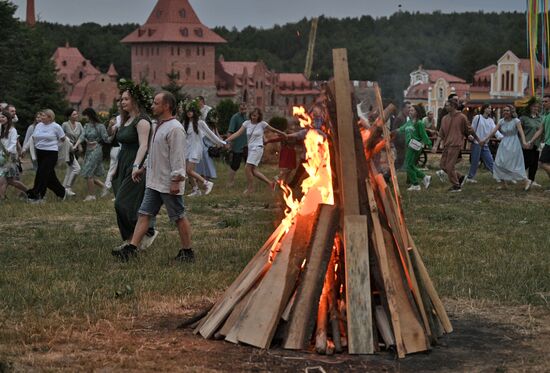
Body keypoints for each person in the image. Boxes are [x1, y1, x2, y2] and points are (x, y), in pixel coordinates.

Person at [112, 92, 194, 262]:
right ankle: (131, 249)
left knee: (178, 216)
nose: (152, 106)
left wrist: (175, 180)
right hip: (154, 182)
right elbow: (155, 152)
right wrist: (143, 168)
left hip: (168, 183)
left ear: (167, 106)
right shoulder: (158, 125)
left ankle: (187, 252)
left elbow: (178, 157)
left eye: (156, 103)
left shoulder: (175, 128)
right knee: (144, 214)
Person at [111, 79, 157, 250]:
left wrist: (136, 166)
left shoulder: (142, 121)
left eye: (126, 99)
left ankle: (148, 230)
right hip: (122, 163)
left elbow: (144, 145)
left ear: (135, 101)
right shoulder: (125, 120)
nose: (122, 102)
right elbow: (122, 146)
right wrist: (115, 167)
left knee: (122, 203)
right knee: (126, 204)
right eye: (121, 99)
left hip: (134, 166)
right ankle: (131, 239)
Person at [225, 107, 287, 194]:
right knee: (254, 171)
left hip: (258, 148)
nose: (253, 117)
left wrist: (283, 134)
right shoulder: (246, 123)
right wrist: (227, 140)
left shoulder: (262, 124)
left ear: (259, 116)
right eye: (252, 115)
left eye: (255, 116)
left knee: (247, 168)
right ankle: (271, 183)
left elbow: (273, 129)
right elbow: (237, 133)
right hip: (250, 149)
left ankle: (250, 188)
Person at [431, 99, 479, 192]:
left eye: (447, 105)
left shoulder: (462, 117)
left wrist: (478, 140)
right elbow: (441, 133)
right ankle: (460, 178)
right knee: (443, 165)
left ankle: (456, 186)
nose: (445, 107)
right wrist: (435, 146)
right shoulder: (445, 118)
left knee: (449, 166)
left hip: (456, 145)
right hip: (447, 145)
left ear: (453, 106)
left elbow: (469, 130)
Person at [181, 98, 226, 197]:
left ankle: (207, 183)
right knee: (187, 171)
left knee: (189, 170)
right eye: (187, 111)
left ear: (195, 111)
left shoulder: (200, 123)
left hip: (196, 149)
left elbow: (210, 134)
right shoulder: (185, 123)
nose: (189, 113)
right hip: (187, 149)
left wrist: (220, 142)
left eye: (191, 111)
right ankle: (196, 190)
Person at [480, 105, 529, 188]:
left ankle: (526, 180)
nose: (505, 112)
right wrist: (485, 139)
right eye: (504, 110)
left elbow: (521, 132)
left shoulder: (516, 121)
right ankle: (504, 184)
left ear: (511, 112)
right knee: (499, 163)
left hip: (514, 143)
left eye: (507, 110)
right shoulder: (501, 121)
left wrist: (524, 142)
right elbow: (493, 131)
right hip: (504, 143)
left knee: (513, 164)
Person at [25, 109, 67, 202]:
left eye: (43, 116)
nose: (41, 117)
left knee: (42, 174)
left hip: (51, 153)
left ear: (50, 117)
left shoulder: (56, 127)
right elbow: (34, 137)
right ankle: (62, 192)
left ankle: (38, 196)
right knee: (49, 176)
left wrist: (57, 146)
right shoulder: (39, 126)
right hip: (40, 153)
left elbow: (63, 139)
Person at [72, 107, 109, 201]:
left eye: (86, 116)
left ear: (90, 115)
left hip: (97, 150)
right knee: (88, 173)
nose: (85, 118)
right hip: (88, 151)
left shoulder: (100, 126)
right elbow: (82, 136)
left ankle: (92, 196)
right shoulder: (86, 126)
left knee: (88, 173)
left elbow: (105, 139)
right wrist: (76, 145)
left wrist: (98, 141)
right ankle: (104, 187)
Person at [397, 105, 432, 191]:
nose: (410, 111)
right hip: (409, 146)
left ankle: (416, 184)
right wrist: (393, 132)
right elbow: (401, 129)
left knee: (408, 165)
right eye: (409, 110)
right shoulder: (409, 122)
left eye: (412, 110)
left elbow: (424, 135)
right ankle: (425, 177)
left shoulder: (419, 123)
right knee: (410, 165)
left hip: (415, 146)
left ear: (416, 112)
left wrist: (429, 144)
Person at [465, 104, 503, 183]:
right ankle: (470, 177)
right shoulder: (477, 117)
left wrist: (501, 137)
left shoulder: (490, 120)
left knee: (490, 160)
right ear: (484, 109)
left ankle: (497, 176)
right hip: (477, 143)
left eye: (490, 108)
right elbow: (472, 128)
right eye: (488, 108)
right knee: (475, 161)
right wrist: (470, 136)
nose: (490, 109)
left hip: (485, 144)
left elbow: (495, 131)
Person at [0, 110, 29, 200]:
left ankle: (2, 198)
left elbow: (13, 143)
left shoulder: (13, 130)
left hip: (9, 157)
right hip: (1, 156)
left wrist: (7, 152)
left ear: (8, 119)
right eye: (0, 117)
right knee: (10, 181)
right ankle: (29, 192)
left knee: (2, 178)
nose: (1, 119)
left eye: (3, 117)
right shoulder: (0, 128)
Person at [520, 98, 544, 190]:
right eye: (534, 106)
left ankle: (531, 181)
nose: (536, 108)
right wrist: (523, 142)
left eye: (537, 107)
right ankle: (523, 179)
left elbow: (542, 131)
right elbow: (520, 131)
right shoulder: (523, 118)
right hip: (526, 144)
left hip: (536, 144)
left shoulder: (540, 118)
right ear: (530, 107)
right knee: (527, 162)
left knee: (534, 164)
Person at [526, 100, 550, 189]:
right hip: (547, 142)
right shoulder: (545, 116)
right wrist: (531, 141)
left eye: (546, 101)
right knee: (545, 163)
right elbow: (540, 130)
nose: (543, 103)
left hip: (549, 143)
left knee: (542, 163)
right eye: (543, 102)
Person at [61, 108, 83, 196]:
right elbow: (61, 136)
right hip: (68, 149)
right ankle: (68, 188)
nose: (76, 116)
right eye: (74, 114)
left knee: (70, 170)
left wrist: (80, 145)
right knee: (76, 168)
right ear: (69, 116)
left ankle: (63, 190)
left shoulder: (79, 124)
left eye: (76, 114)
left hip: (76, 149)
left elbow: (82, 136)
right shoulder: (65, 124)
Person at [195, 108, 221, 181]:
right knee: (203, 162)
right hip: (204, 145)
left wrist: (220, 142)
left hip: (210, 146)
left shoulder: (214, 127)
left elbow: (216, 135)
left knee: (209, 162)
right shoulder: (205, 125)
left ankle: (208, 175)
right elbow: (205, 135)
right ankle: (201, 175)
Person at [226, 102, 248, 187]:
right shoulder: (235, 117)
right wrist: (229, 143)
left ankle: (249, 182)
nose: (243, 110)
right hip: (237, 146)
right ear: (239, 109)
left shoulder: (247, 118)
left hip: (246, 146)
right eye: (242, 109)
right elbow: (230, 131)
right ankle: (230, 182)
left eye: (245, 109)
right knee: (235, 165)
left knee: (249, 165)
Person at [390, 101, 411, 169]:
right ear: (403, 108)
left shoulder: (404, 117)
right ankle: (388, 174)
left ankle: (389, 173)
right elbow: (394, 130)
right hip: (399, 142)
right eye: (408, 107)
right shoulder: (400, 118)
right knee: (400, 159)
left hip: (402, 141)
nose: (410, 109)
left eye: (410, 107)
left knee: (401, 159)